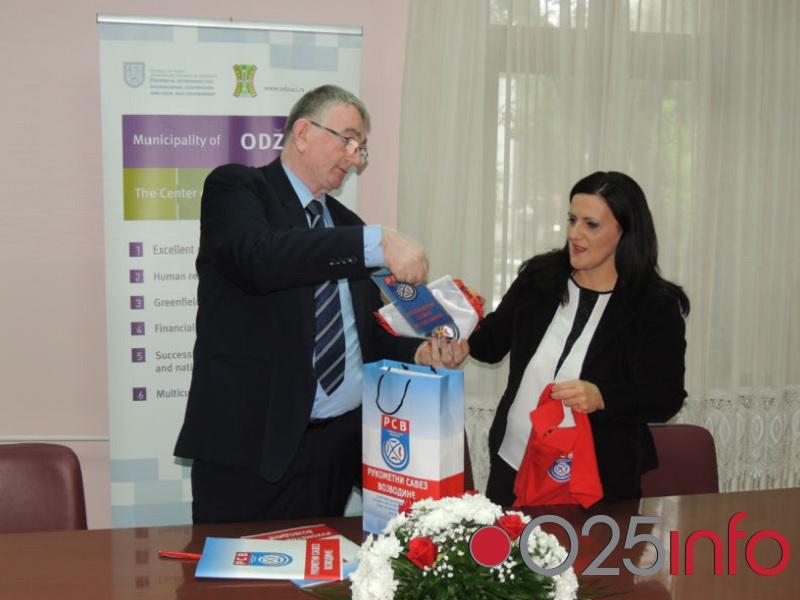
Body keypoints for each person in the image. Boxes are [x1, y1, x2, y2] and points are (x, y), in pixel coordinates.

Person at [174, 85, 467, 523]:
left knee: (329, 564)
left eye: (361, 148)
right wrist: (378, 242)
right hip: (253, 451)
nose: (355, 158)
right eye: (348, 140)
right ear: (303, 132)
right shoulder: (237, 188)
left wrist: (421, 353)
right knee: (236, 567)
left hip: (337, 449)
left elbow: (361, 336)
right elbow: (258, 258)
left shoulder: (347, 226)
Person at [468, 171, 690, 506]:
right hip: (513, 463)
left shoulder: (654, 306)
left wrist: (603, 396)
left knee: (588, 546)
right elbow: (489, 345)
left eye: (591, 224)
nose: (575, 234)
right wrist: (461, 325)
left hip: (596, 480)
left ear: (625, 231)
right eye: (572, 220)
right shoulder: (541, 277)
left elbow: (665, 397)